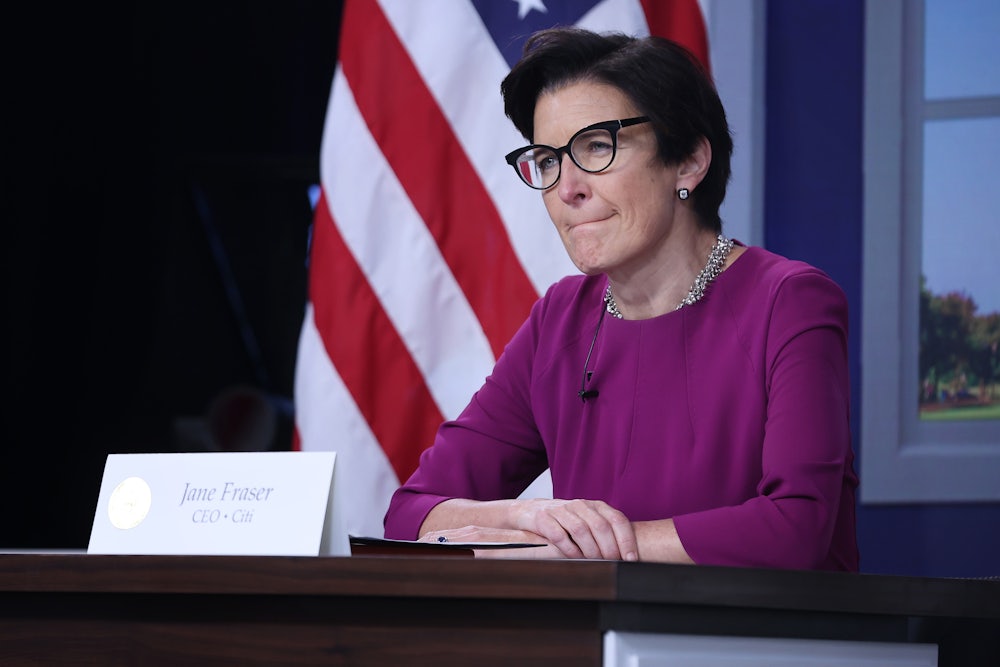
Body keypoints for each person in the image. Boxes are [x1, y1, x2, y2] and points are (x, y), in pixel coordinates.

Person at [383, 27, 859, 571]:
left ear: (688, 163)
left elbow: (794, 530)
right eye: (548, 159)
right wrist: (524, 521)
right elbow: (410, 515)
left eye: (596, 147)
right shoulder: (558, 321)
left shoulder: (790, 302)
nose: (567, 189)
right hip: (598, 644)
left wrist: (582, 547)